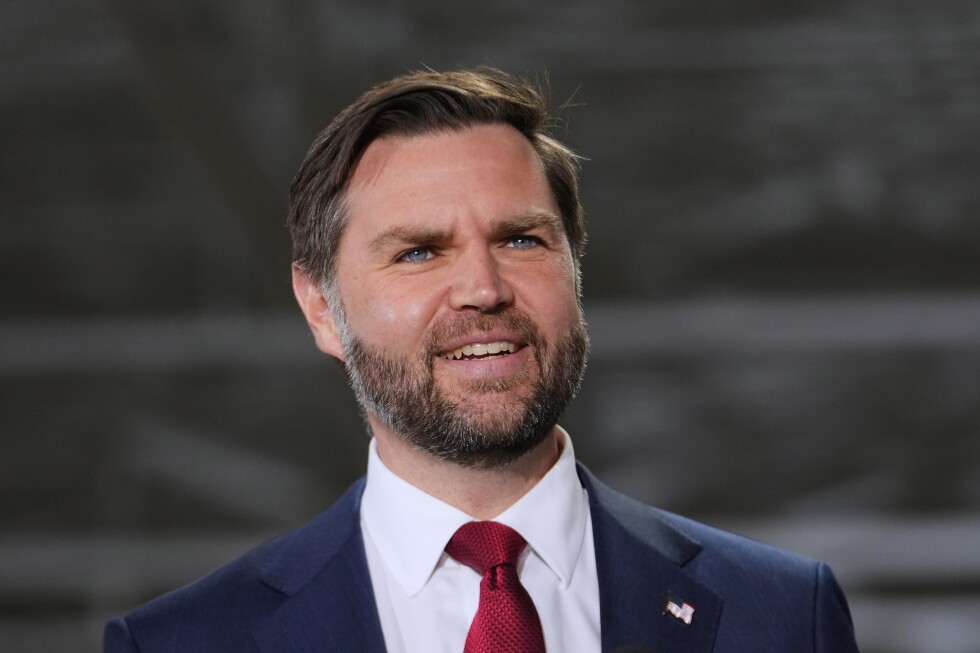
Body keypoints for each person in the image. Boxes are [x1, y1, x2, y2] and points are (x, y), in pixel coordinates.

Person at [104, 69, 860, 652]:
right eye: (419, 251)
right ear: (321, 308)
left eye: (521, 239)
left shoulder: (786, 616)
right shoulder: (180, 643)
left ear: (575, 267)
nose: (483, 288)